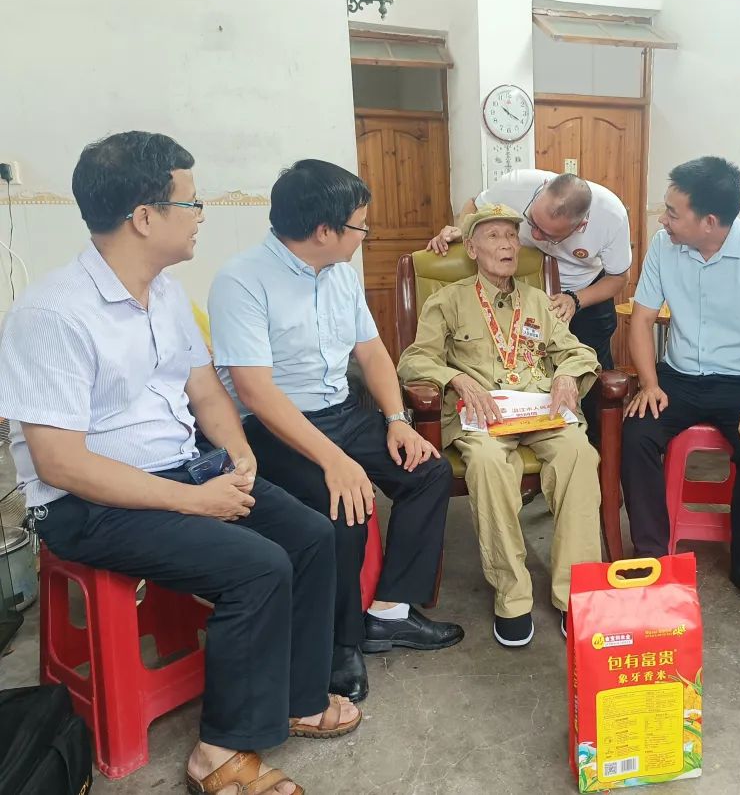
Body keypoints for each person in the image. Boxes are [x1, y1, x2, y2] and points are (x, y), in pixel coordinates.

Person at [0, 132, 358, 795]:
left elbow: (205, 390)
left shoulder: (164, 292)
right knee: (258, 566)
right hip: (87, 505)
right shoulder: (51, 314)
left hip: (180, 468)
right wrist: (195, 501)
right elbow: (61, 464)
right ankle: (217, 753)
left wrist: (240, 455)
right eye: (191, 203)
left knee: (311, 534)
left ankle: (298, 697)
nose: (200, 216)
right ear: (145, 217)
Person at [208, 160, 463, 704]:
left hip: (342, 411)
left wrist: (396, 421)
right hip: (276, 427)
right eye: (359, 225)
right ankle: (338, 644)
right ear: (324, 230)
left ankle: (389, 612)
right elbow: (256, 392)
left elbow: (371, 352)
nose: (364, 234)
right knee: (343, 507)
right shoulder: (242, 280)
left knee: (428, 472)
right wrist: (333, 461)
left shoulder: (340, 273)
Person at [399, 204, 603, 647]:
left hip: (538, 409)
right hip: (485, 417)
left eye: (511, 235)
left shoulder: (538, 302)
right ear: (471, 249)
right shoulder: (447, 300)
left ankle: (576, 594)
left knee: (579, 455)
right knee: (490, 464)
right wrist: (455, 378)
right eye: (493, 236)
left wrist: (568, 375)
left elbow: (576, 351)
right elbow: (414, 360)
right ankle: (512, 596)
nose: (506, 245)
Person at [621, 157, 740, 620]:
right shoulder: (664, 247)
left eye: (672, 213)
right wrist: (649, 383)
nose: (662, 221)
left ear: (709, 221)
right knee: (636, 433)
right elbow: (641, 320)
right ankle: (653, 558)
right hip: (678, 378)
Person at [428, 169, 630, 439]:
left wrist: (576, 299)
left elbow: (619, 278)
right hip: (526, 285)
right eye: (531, 222)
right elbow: (473, 207)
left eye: (546, 234)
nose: (533, 234)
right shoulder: (515, 185)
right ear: (541, 189)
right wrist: (463, 232)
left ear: (580, 226)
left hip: (586, 290)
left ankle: (590, 447)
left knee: (590, 391)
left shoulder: (611, 218)